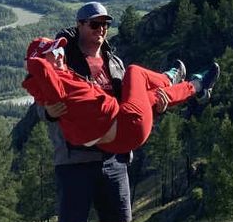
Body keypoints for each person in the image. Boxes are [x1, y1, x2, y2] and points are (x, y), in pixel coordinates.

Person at [33, 3, 150, 222]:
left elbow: (129, 104)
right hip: (75, 159)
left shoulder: (114, 61)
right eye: (94, 24)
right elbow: (41, 98)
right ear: (80, 25)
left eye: (105, 25)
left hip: (113, 157)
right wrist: (48, 112)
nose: (101, 30)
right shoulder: (62, 58)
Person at [23, 35, 218, 154]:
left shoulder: (63, 77)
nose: (59, 54)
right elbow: (39, 70)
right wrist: (33, 61)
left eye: (59, 49)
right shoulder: (54, 84)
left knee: (152, 95)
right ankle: (169, 78)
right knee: (135, 72)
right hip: (127, 124)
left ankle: (197, 86)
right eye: (51, 52)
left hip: (117, 142)